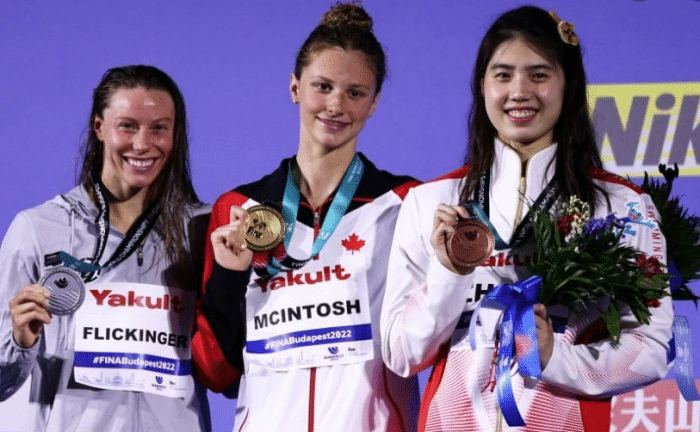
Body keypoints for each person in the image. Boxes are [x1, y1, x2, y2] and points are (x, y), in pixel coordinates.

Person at [380, 6, 674, 432]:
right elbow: (401, 354)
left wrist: (556, 358)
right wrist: (449, 276)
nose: (519, 92)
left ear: (568, 85)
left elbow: (651, 347)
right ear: (482, 85)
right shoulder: (431, 202)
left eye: (539, 75)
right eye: (503, 75)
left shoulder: (621, 206)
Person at [191, 3, 420, 431]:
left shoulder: (405, 203)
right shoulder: (239, 208)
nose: (336, 105)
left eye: (355, 93)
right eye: (323, 86)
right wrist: (229, 277)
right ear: (295, 87)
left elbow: (425, 341)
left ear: (374, 103)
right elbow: (217, 371)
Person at [0, 65, 211, 432]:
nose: (142, 144)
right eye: (127, 126)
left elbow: (226, 368)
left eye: (159, 128)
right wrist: (21, 341)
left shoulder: (204, 231)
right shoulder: (38, 229)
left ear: (175, 134)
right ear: (99, 127)